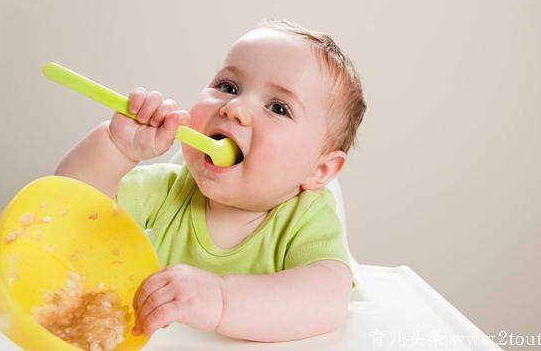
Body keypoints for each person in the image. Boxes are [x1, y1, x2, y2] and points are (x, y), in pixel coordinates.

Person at [55, 19, 367, 342]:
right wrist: (116, 147)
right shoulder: (170, 191)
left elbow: (328, 299)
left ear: (320, 171)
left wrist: (220, 299)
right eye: (229, 87)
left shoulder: (305, 218)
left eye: (278, 108)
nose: (235, 108)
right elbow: (68, 209)